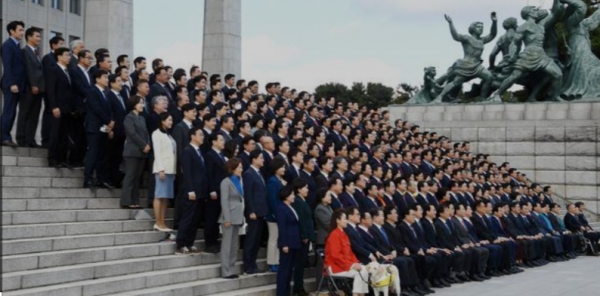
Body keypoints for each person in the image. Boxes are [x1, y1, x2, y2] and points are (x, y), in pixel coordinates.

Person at [175, 126, 208, 254]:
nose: (202, 137)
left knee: (196, 218)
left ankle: (190, 242)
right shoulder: (187, 151)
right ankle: (181, 243)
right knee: (187, 217)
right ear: (192, 136)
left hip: (201, 191)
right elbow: (187, 173)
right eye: (200, 134)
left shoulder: (200, 152)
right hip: (191, 190)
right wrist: (190, 190)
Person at [324, 209, 370, 296]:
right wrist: (352, 265)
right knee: (360, 272)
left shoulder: (343, 233)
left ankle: (359, 294)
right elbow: (336, 256)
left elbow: (350, 253)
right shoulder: (334, 235)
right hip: (335, 267)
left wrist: (356, 263)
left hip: (344, 264)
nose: (347, 221)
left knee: (364, 269)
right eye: (345, 219)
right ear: (337, 220)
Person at [46, 47, 77, 168]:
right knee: (55, 134)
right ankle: (53, 159)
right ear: (59, 57)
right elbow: (50, 89)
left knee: (64, 135)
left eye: (70, 55)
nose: (69, 57)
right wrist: (54, 106)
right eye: (67, 55)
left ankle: (62, 159)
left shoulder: (68, 71)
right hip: (57, 108)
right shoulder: (53, 69)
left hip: (67, 109)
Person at [84, 70, 114, 189]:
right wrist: (108, 121)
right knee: (92, 153)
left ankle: (101, 179)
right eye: (105, 77)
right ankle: (88, 179)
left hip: (105, 128)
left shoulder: (105, 93)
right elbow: (96, 109)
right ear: (97, 79)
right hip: (94, 127)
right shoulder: (92, 92)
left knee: (102, 155)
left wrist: (110, 125)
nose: (107, 79)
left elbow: (109, 110)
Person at [120, 95, 151, 208]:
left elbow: (146, 133)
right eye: (140, 103)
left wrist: (148, 144)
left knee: (137, 177)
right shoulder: (129, 117)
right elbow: (132, 134)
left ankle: (135, 201)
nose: (142, 105)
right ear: (134, 105)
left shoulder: (142, 118)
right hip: (132, 151)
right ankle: (126, 201)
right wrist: (143, 145)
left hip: (142, 152)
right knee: (130, 176)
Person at [17, 27, 44, 148]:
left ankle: (31, 139)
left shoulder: (36, 52)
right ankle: (21, 138)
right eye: (37, 36)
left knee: (34, 115)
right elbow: (28, 69)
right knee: (25, 113)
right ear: (29, 37)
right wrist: (33, 84)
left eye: (39, 36)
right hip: (29, 89)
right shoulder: (25, 51)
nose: (39, 38)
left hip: (39, 90)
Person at [242, 150, 268, 274]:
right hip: (254, 213)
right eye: (261, 158)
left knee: (257, 241)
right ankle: (248, 265)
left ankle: (253, 264)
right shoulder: (248, 173)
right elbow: (248, 194)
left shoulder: (259, 173)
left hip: (261, 212)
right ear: (254, 159)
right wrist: (251, 211)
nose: (263, 160)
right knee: (251, 240)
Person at [219, 158, 246, 279]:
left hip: (238, 216)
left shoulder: (239, 181)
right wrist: (227, 218)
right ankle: (225, 271)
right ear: (233, 168)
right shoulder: (226, 182)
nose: (241, 169)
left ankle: (231, 268)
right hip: (229, 217)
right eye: (239, 167)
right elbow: (224, 201)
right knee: (227, 245)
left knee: (234, 245)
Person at [1, 20, 26, 147]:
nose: (23, 32)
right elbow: (8, 66)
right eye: (20, 30)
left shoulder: (16, 45)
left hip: (18, 85)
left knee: (12, 112)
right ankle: (4, 136)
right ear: (12, 31)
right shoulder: (7, 45)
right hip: (11, 85)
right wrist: (12, 83)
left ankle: (6, 136)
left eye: (23, 30)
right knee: (9, 111)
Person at [151, 112, 176, 232]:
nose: (171, 122)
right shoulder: (156, 134)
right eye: (169, 120)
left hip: (170, 170)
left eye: (171, 120)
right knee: (159, 195)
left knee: (165, 197)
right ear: (162, 121)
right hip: (162, 169)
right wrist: (161, 169)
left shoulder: (168, 135)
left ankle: (163, 222)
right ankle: (158, 222)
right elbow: (157, 153)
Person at [204, 133, 228, 253]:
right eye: (221, 140)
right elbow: (209, 174)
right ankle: (209, 243)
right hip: (214, 191)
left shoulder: (222, 155)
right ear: (214, 142)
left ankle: (215, 240)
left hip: (222, 190)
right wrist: (211, 190)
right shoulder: (210, 155)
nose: (223, 142)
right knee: (211, 217)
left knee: (217, 217)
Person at [276, 185, 301, 296]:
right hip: (287, 243)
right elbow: (282, 227)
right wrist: (284, 243)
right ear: (286, 196)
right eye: (291, 194)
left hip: (294, 242)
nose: (293, 196)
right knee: (284, 271)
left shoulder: (291, 207)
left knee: (289, 270)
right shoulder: (281, 208)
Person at [291, 178, 315, 296]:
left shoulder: (302, 200)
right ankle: (298, 288)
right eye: (305, 188)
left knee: (301, 263)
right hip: (302, 238)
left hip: (307, 236)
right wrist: (304, 235)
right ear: (299, 189)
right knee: (299, 264)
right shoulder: (298, 201)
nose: (307, 190)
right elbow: (300, 220)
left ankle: (299, 287)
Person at [265, 158, 287, 272]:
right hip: (274, 215)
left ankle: (277, 260)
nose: (284, 169)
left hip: (281, 214)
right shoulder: (272, 181)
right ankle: (272, 262)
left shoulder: (280, 180)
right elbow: (272, 200)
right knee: (273, 238)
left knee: (279, 238)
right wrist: (275, 214)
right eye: (281, 167)